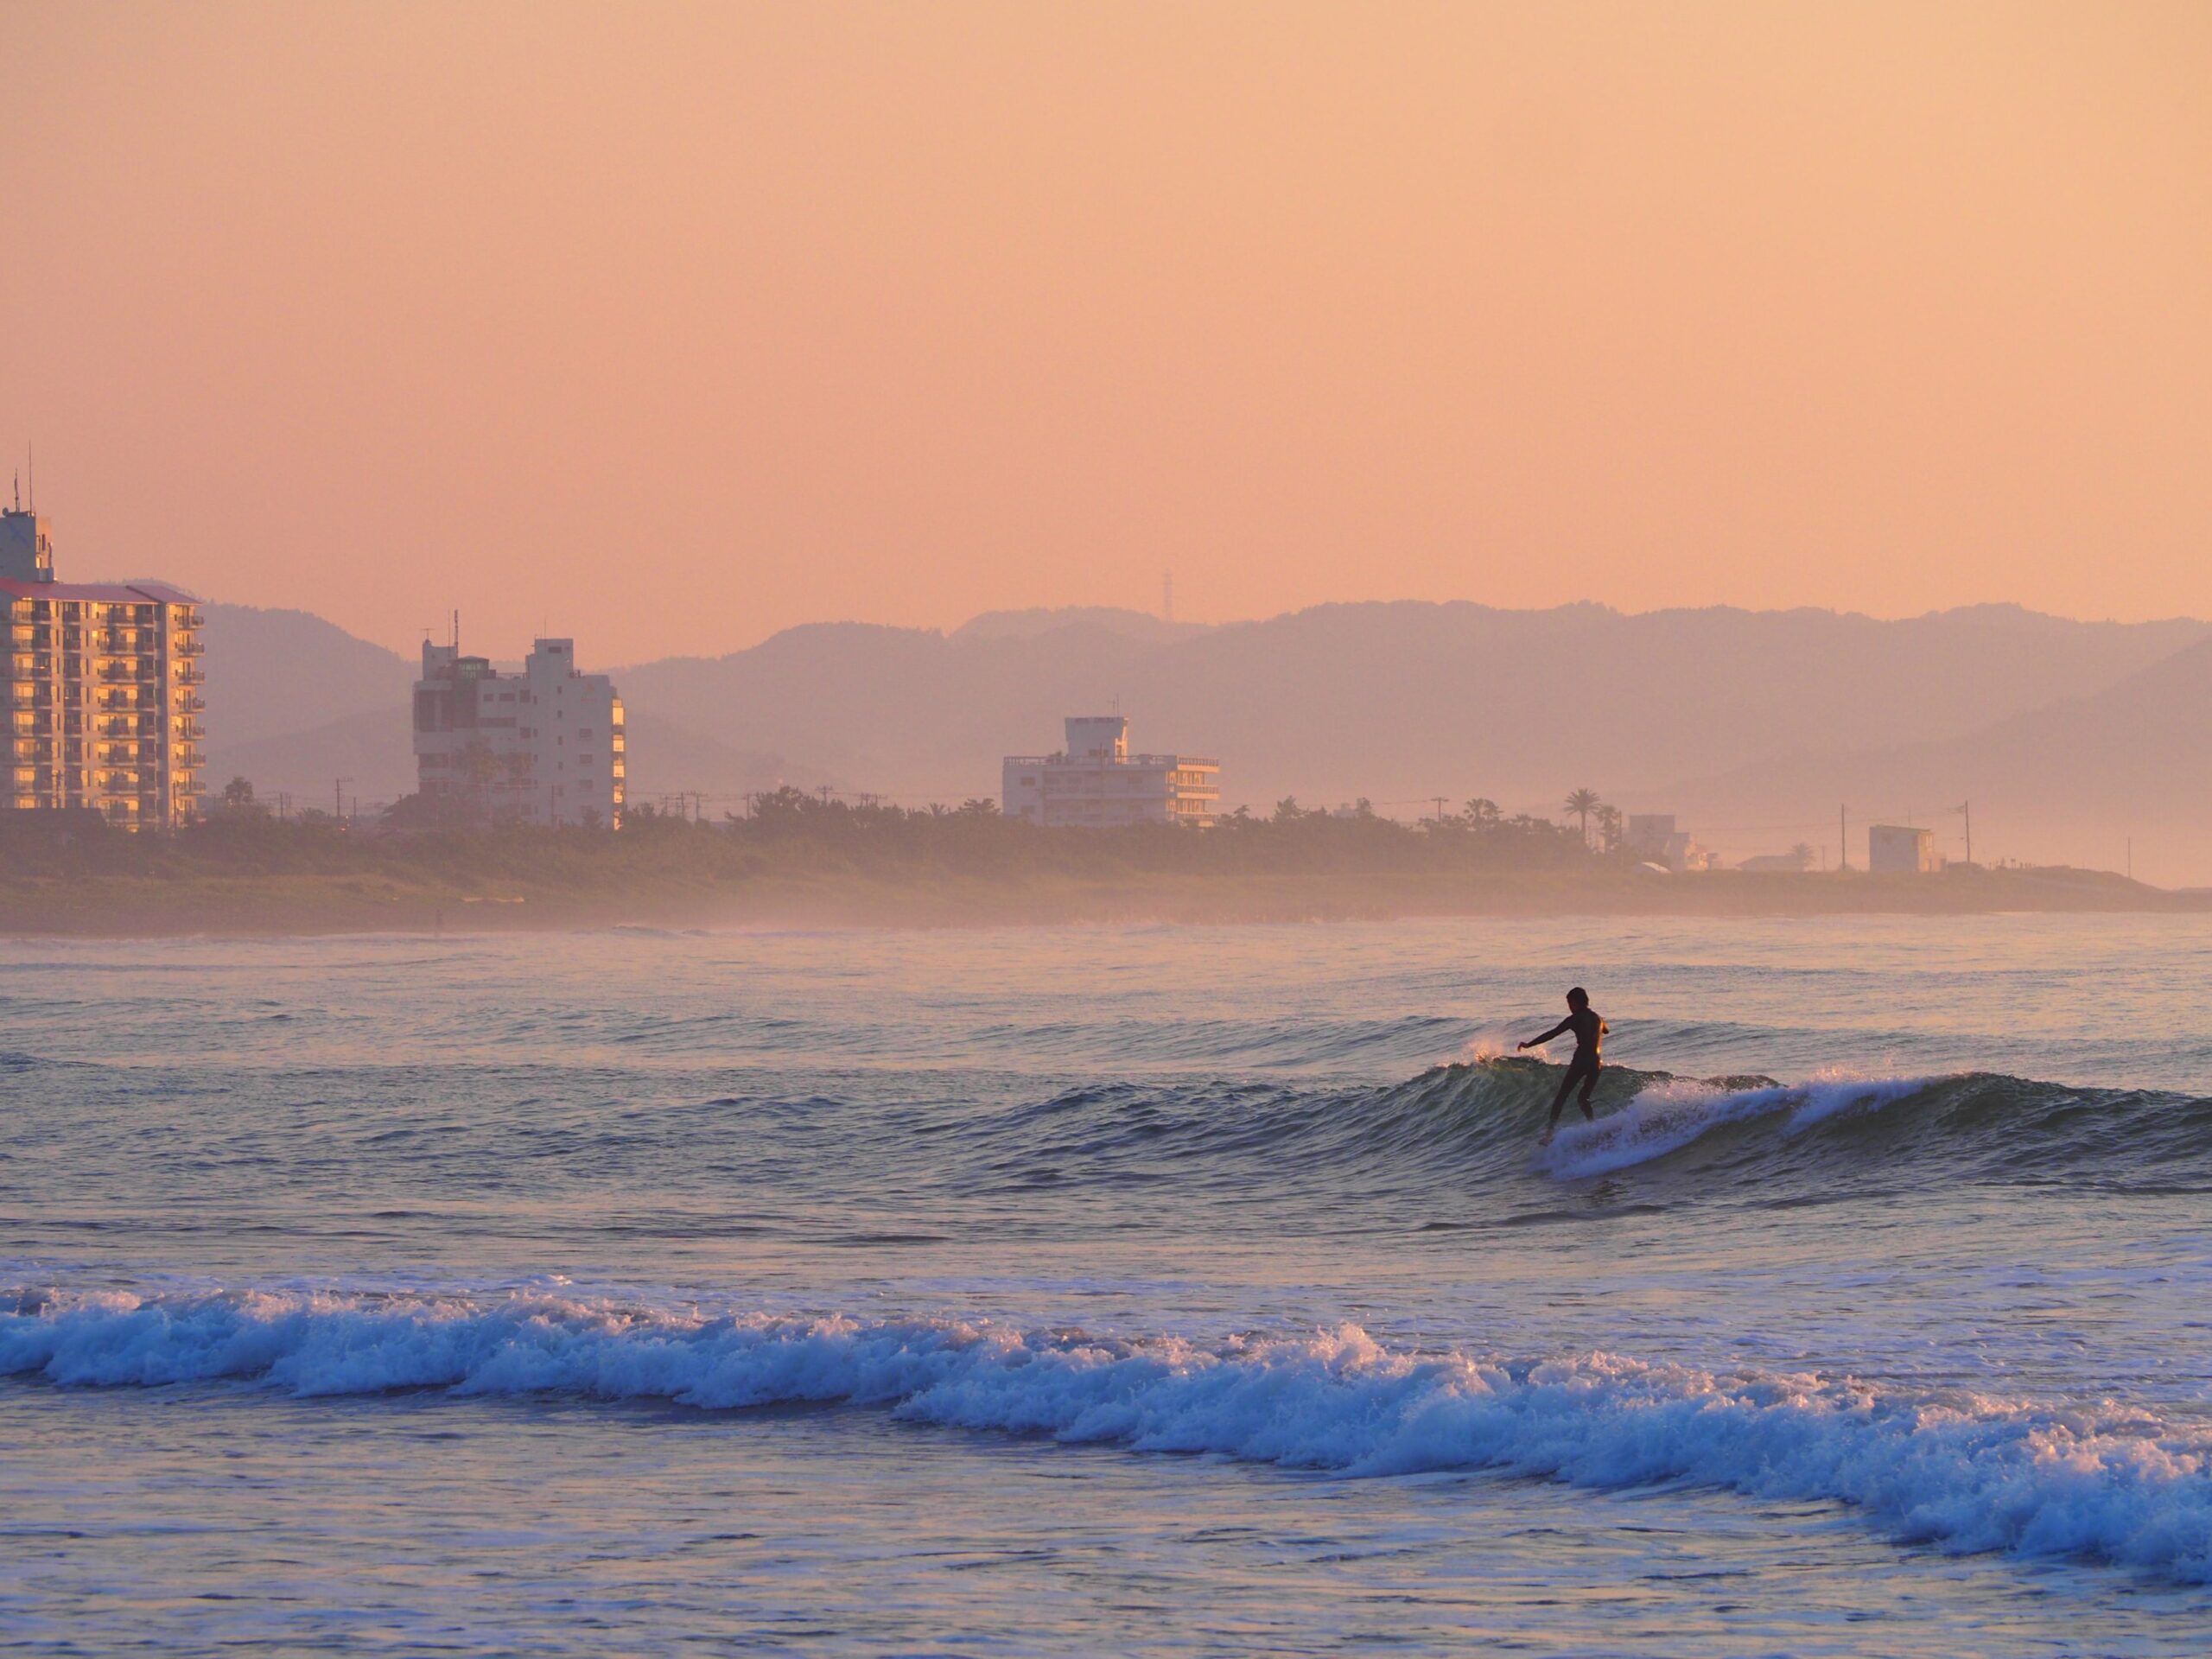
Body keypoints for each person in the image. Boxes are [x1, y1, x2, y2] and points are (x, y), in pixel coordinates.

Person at [1518, 987, 1607, 1145]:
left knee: (1561, 1096)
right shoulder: (1597, 1018)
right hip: (1596, 1063)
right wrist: (1598, 1024)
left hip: (1581, 1060)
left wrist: (1529, 1044)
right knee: (1583, 1098)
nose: (1569, 1007)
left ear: (1575, 1002)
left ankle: (1549, 1134)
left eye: (1569, 1003)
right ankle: (1594, 1128)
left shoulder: (1576, 1018)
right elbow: (1606, 1030)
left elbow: (1553, 1033)